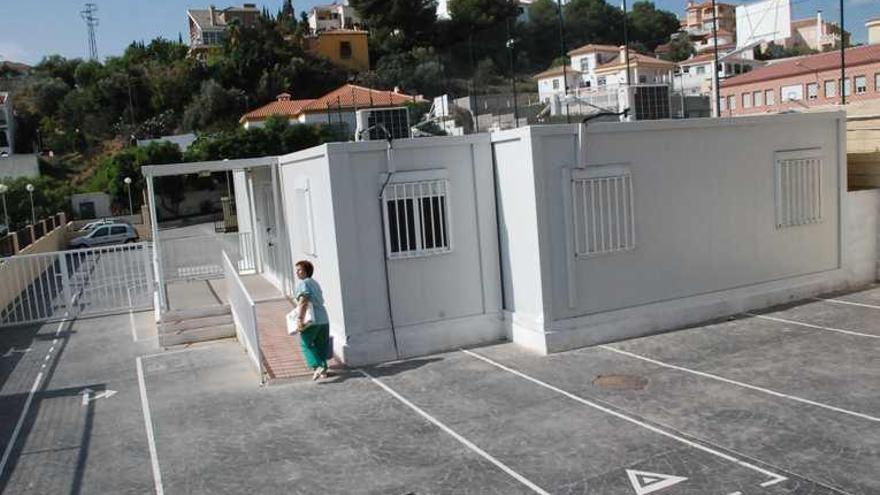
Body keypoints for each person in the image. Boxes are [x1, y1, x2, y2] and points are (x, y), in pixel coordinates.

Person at [293, 260, 330, 380]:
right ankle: (323, 369)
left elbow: (303, 301)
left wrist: (299, 318)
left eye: (300, 270)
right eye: (297, 270)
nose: (297, 272)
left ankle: (317, 366)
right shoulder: (315, 283)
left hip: (312, 319)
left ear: (306, 271)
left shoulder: (303, 284)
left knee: (306, 343)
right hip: (323, 318)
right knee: (321, 345)